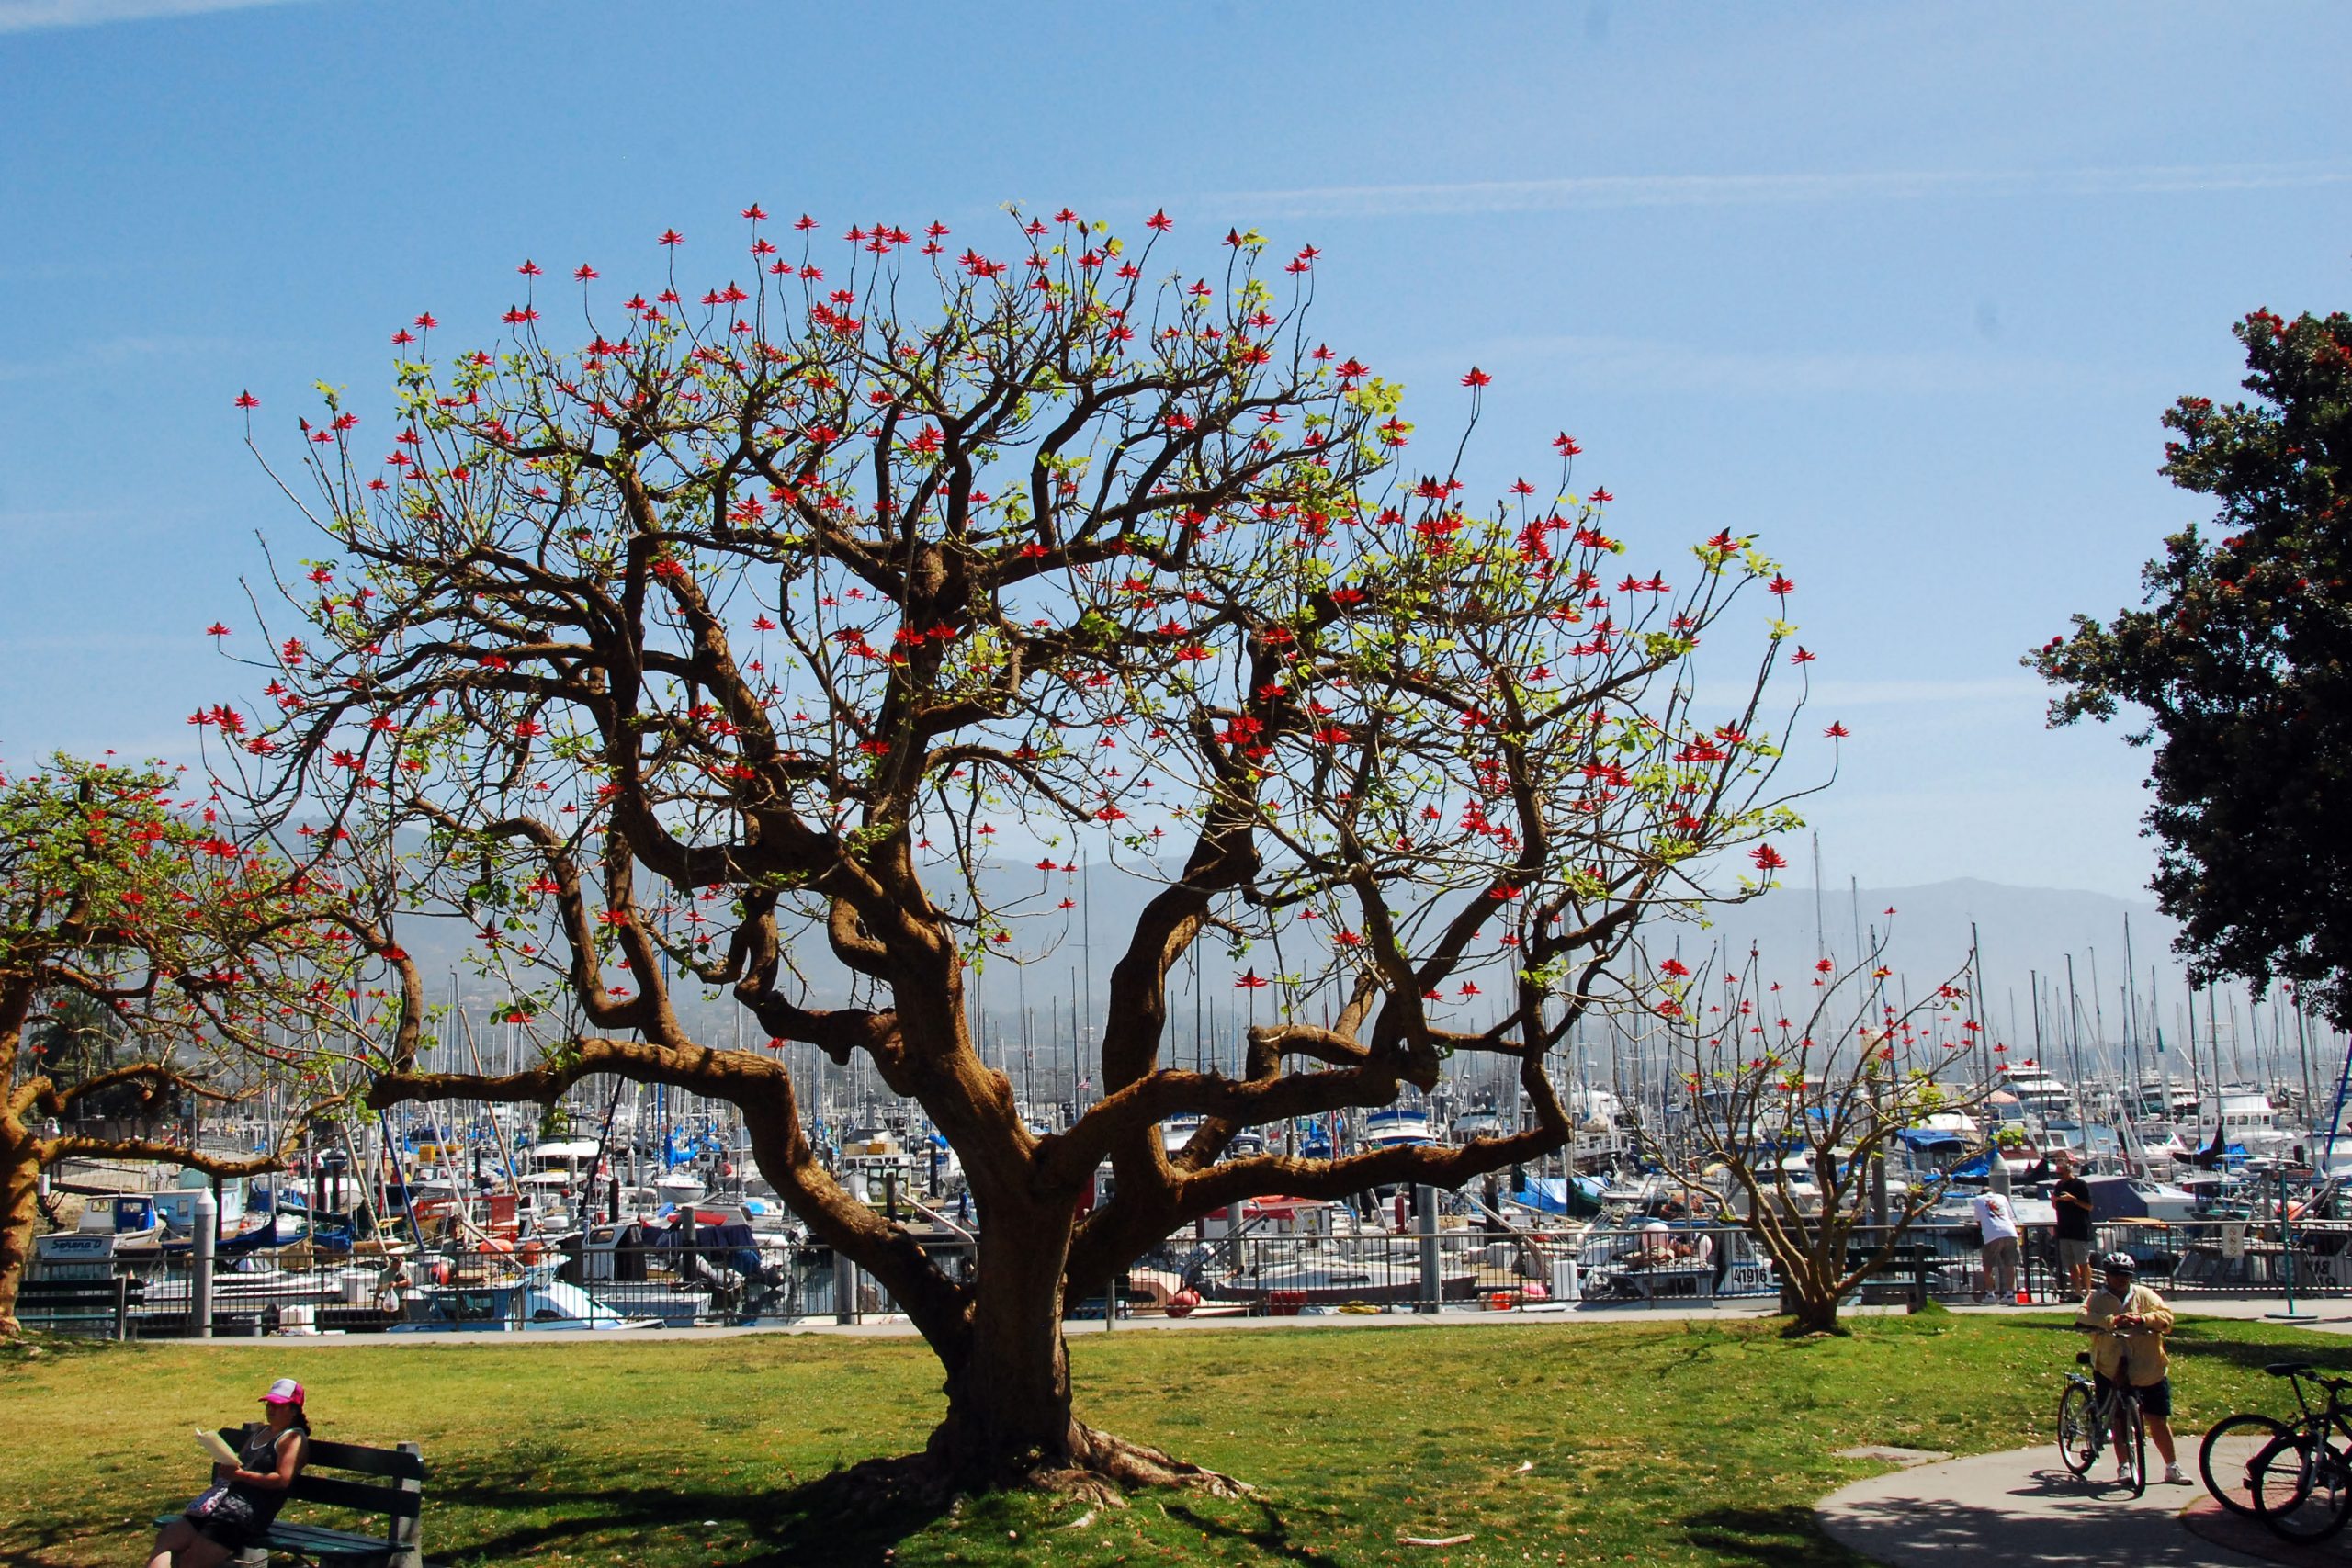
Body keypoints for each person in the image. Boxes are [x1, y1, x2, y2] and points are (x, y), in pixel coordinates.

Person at [147, 1377, 310, 1568]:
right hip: (219, 1503)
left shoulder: (293, 1439)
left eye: (278, 1405)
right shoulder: (261, 1432)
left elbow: (282, 1480)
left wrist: (241, 1476)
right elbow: (240, 1464)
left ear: (293, 1410)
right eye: (269, 1404)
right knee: (166, 1539)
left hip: (243, 1514)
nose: (271, 1409)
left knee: (192, 1562)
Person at [2077, 1252, 2187, 1486]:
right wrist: (2110, 1321)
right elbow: (2082, 1316)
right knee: (2119, 1418)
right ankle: (2124, 1465)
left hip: (2149, 1366)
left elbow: (2166, 1316)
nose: (2121, 1279)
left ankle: (2172, 1466)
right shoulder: (2098, 1298)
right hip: (2111, 1366)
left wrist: (2142, 1320)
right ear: (2107, 1276)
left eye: (2125, 1275)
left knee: (2158, 1419)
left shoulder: (2144, 1295)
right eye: (2116, 1274)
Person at [2051, 1154, 2096, 1294]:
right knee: (2070, 1264)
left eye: (2061, 1174)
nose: (2060, 1177)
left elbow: (2089, 1206)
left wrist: (2073, 1199)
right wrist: (2055, 1201)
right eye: (2058, 1174)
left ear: (2068, 1171)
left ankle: (2087, 1291)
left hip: (2079, 1229)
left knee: (2083, 1262)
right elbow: (2057, 1207)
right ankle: (2077, 1291)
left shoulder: (2080, 1184)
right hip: (2064, 1229)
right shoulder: (2059, 1185)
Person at [1972, 1188, 2021, 1302]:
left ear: (1981, 1193)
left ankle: (1990, 1295)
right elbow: (2010, 1216)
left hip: (1992, 1234)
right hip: (2010, 1231)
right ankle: (2010, 1295)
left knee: (1988, 1266)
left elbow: (1978, 1221)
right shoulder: (2002, 1197)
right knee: (2010, 1265)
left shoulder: (1978, 1199)